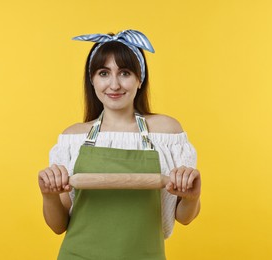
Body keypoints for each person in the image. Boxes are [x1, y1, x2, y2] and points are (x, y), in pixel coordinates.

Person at [38, 29, 201, 260]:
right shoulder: (73, 139)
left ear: (139, 79)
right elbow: (58, 225)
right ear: (92, 80)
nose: (114, 84)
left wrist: (192, 197)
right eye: (104, 73)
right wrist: (48, 195)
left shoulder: (166, 134)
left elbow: (184, 217)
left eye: (124, 73)